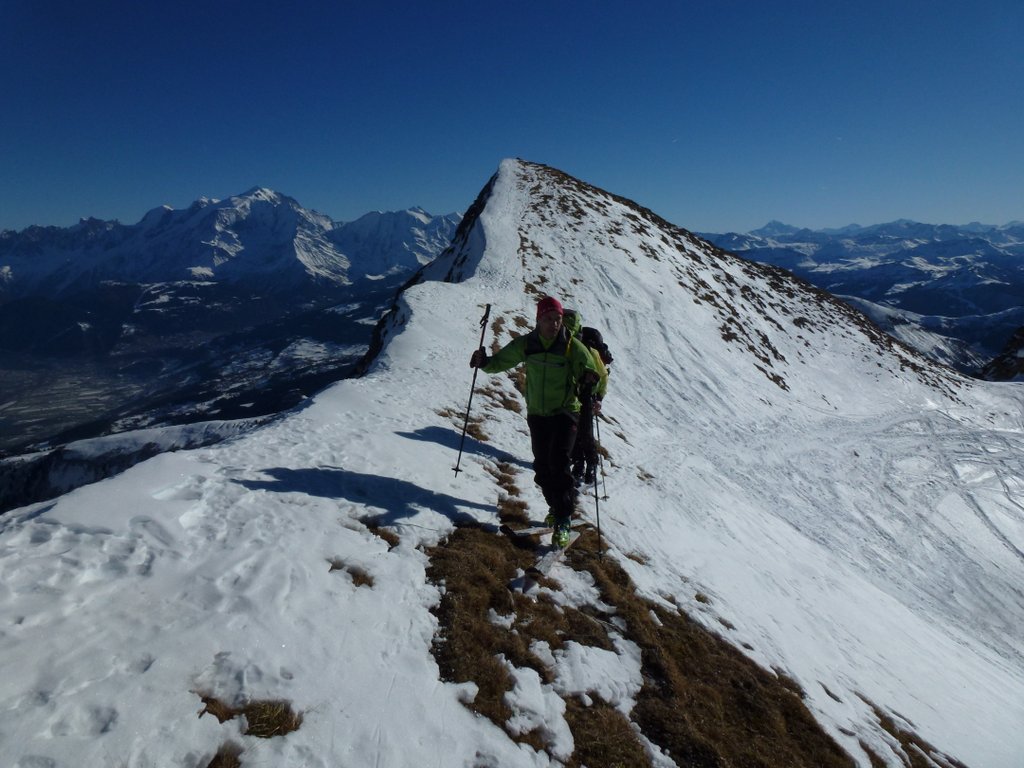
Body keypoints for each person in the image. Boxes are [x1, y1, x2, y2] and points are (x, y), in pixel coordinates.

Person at [470, 296, 599, 547]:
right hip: (538, 413)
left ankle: (563, 519)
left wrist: (588, 382)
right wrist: (484, 362)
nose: (554, 324)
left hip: (565, 412)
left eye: (558, 319)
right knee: (542, 469)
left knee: (559, 463)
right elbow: (500, 362)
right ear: (538, 320)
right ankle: (556, 506)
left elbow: (588, 369)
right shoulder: (527, 344)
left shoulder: (572, 347)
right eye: (549, 319)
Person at [571, 324, 609, 486]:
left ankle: (591, 465)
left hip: (587, 397)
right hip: (573, 396)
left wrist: (598, 397)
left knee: (585, 433)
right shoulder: (571, 349)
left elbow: (603, 376)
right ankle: (579, 464)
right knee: (575, 432)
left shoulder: (592, 353)